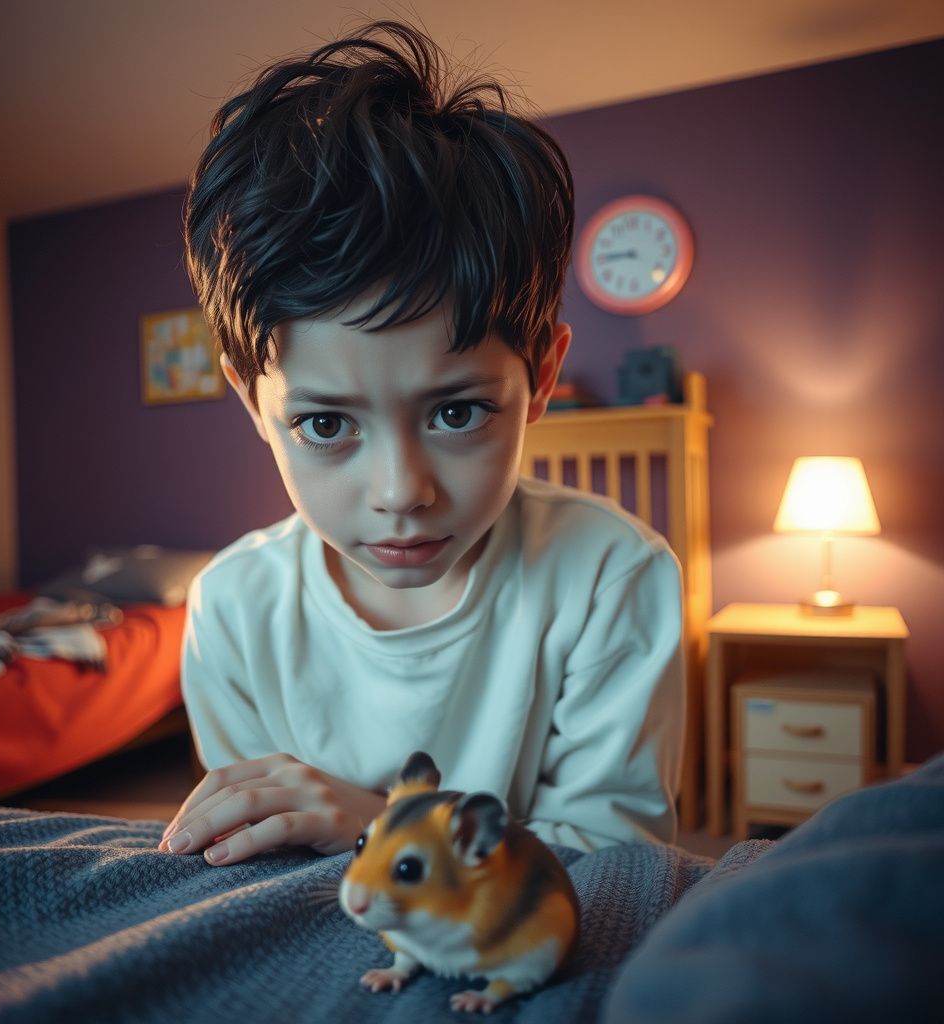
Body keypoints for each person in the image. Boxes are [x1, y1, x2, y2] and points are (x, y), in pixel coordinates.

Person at [160, 19, 684, 866]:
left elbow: (616, 871)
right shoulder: (233, 609)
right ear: (253, 403)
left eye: (457, 413)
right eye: (326, 424)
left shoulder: (608, 578)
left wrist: (378, 821)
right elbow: (254, 864)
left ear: (542, 377)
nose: (401, 491)